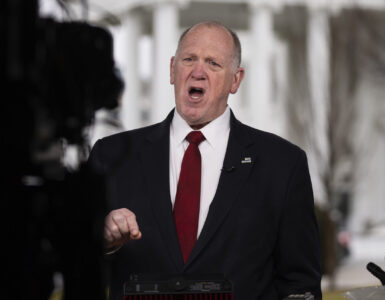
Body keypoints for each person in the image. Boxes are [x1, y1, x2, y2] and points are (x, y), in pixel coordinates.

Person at [89, 21, 322, 300]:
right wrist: (102, 241)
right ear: (172, 69)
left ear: (236, 80)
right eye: (189, 59)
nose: (198, 72)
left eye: (213, 63)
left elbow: (301, 285)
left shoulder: (283, 164)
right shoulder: (112, 155)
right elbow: (72, 266)